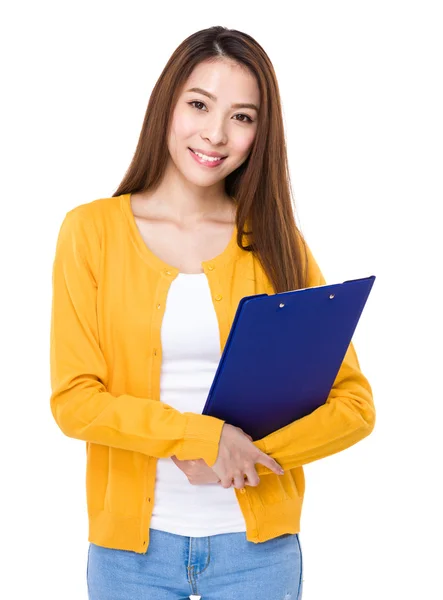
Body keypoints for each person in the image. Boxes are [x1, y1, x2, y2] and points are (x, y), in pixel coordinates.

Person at [49, 25, 376, 600]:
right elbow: (75, 401)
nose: (216, 134)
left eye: (243, 117)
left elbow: (353, 405)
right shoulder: (91, 232)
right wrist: (202, 437)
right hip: (131, 555)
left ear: (260, 133)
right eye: (199, 104)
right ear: (167, 105)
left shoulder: (277, 243)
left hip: (257, 554)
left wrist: (248, 455)